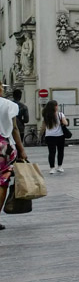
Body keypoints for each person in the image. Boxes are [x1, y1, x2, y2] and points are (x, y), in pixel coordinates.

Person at [0, 81, 30, 230]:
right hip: (4, 146)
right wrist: (21, 149)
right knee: (2, 181)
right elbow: (15, 129)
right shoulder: (9, 105)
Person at [41, 100, 70, 175]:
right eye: (57, 105)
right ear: (55, 107)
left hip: (49, 136)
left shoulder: (46, 115)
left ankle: (52, 168)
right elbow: (65, 123)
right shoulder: (60, 114)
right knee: (60, 151)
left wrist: (40, 134)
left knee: (51, 152)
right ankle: (59, 166)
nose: (57, 107)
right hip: (60, 135)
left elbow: (43, 126)